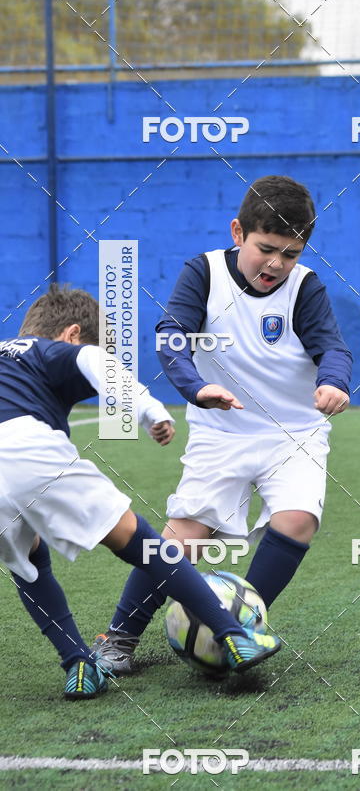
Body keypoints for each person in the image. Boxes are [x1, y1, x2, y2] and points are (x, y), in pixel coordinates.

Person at [95, 175, 352, 675]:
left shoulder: (305, 287)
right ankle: (119, 637)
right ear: (238, 233)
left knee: (297, 519)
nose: (277, 264)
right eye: (267, 249)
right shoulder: (204, 273)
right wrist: (197, 389)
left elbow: (332, 346)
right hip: (222, 430)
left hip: (294, 432)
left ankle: (239, 628)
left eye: (292, 253)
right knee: (184, 537)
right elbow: (172, 335)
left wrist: (334, 380)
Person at [0, 284, 281, 700]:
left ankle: (78, 663)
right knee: (144, 544)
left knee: (28, 561)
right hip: (24, 447)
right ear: (71, 334)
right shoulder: (45, 349)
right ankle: (232, 634)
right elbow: (93, 360)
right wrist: (149, 409)